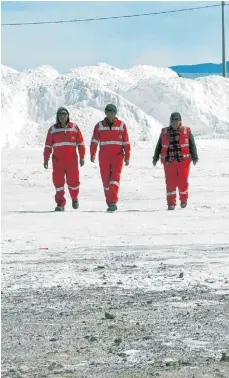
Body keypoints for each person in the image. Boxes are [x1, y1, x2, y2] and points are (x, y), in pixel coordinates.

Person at [152, 112, 198, 210]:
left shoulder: (186, 131)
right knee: (170, 183)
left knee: (183, 182)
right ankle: (171, 204)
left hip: (183, 162)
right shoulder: (164, 132)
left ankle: (184, 199)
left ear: (180, 121)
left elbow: (192, 144)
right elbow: (159, 146)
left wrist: (195, 156)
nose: (174, 122)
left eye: (176, 121)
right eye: (172, 120)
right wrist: (155, 157)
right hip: (169, 162)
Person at [44, 107, 85, 211]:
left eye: (64, 114)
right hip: (58, 162)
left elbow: (80, 144)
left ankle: (74, 198)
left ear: (68, 116)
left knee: (74, 183)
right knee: (58, 184)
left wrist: (82, 156)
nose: (62, 116)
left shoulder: (74, 128)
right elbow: (48, 146)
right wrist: (46, 159)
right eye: (60, 115)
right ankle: (60, 204)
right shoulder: (53, 129)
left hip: (72, 162)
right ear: (58, 117)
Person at [90, 104, 130, 212]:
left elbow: (126, 142)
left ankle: (113, 202)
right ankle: (110, 201)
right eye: (108, 112)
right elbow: (94, 141)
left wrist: (127, 156)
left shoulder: (122, 125)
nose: (110, 114)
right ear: (105, 113)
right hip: (104, 157)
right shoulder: (99, 126)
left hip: (118, 157)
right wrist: (92, 153)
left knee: (114, 179)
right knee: (106, 181)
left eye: (112, 112)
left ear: (115, 113)